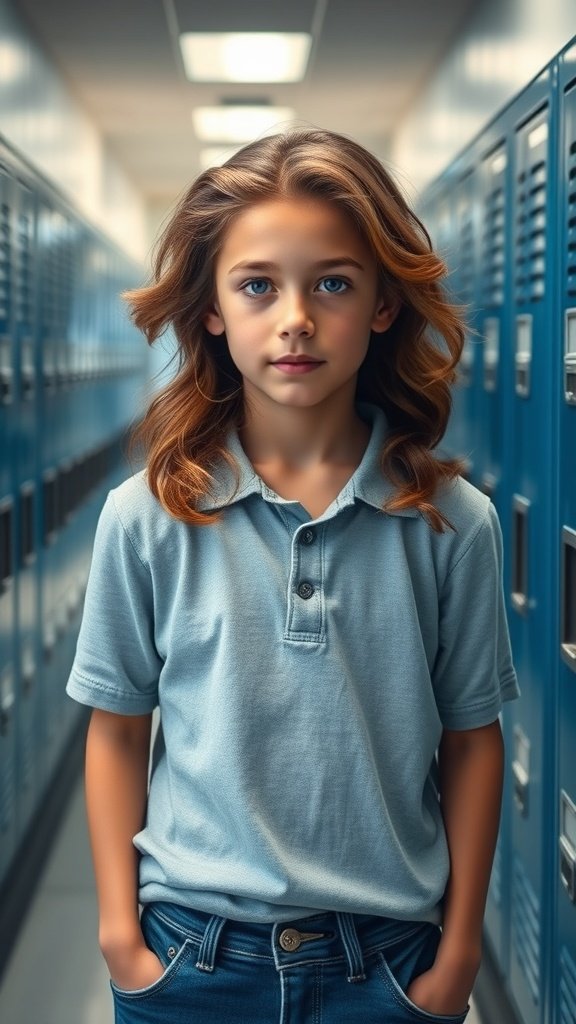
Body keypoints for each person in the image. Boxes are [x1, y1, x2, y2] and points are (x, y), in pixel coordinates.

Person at [66, 127, 519, 1024]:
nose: (297, 317)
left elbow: (473, 740)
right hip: (193, 960)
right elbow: (117, 730)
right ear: (211, 309)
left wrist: (459, 953)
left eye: (334, 283)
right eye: (258, 285)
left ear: (384, 304)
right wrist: (124, 938)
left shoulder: (450, 523)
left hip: (389, 965)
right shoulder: (149, 516)